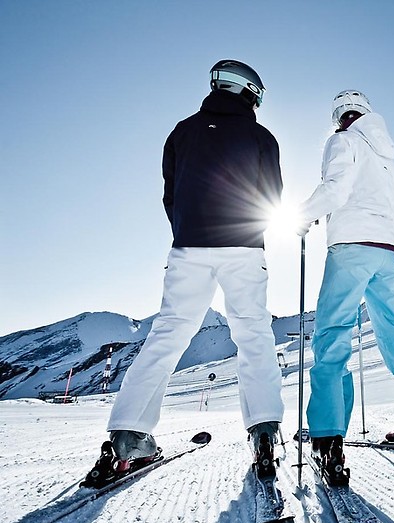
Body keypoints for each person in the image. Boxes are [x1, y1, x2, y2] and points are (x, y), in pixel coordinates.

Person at [84, 60, 285, 487]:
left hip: (189, 247)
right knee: (252, 333)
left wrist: (189, 230)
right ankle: (264, 431)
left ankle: (128, 435)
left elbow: (170, 193)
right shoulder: (261, 136)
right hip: (243, 246)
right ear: (250, 93)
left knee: (169, 333)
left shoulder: (182, 131)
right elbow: (273, 195)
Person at [295, 90, 394, 485]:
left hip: (351, 247)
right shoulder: (385, 154)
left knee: (333, 334)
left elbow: (335, 190)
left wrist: (302, 215)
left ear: (338, 116)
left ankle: (327, 436)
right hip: (387, 251)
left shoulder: (342, 140)